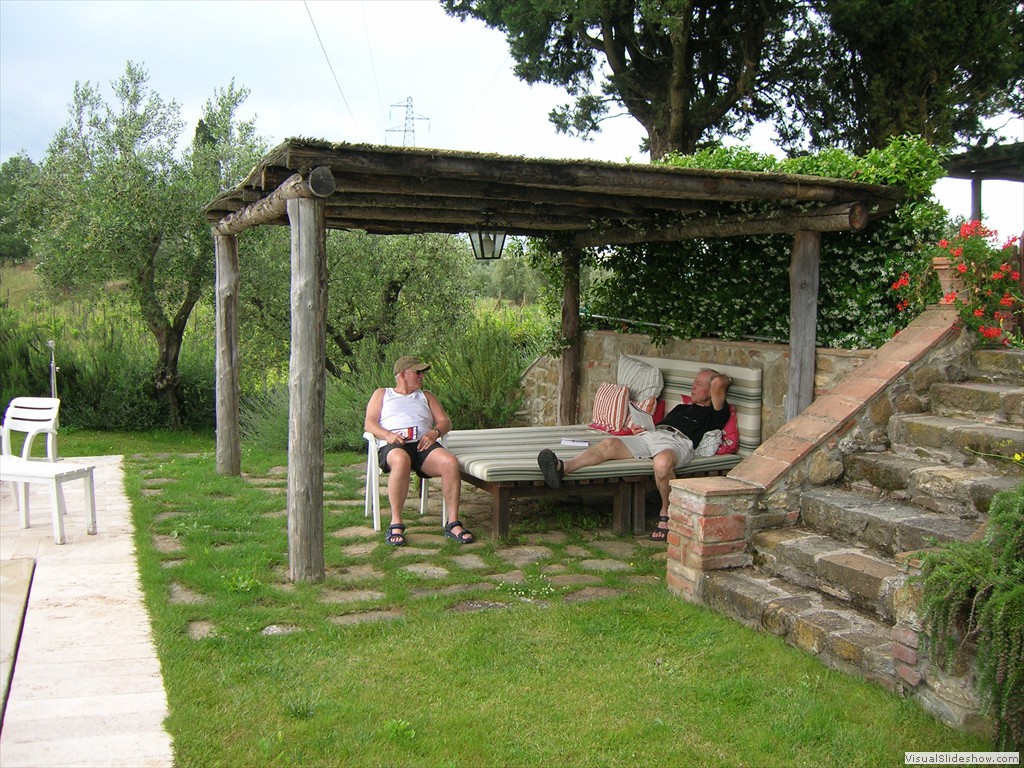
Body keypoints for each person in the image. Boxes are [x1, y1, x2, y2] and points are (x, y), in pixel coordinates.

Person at [537, 368, 732, 542]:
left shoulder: (716, 413)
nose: (693, 387)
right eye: (694, 383)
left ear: (712, 391)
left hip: (678, 443)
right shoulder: (682, 407)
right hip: (653, 435)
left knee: (663, 463)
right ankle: (563, 467)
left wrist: (722, 380)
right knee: (609, 443)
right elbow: (659, 428)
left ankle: (667, 512)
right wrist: (643, 428)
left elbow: (719, 382)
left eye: (698, 384)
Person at [364, 355, 474, 546]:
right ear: (402, 375)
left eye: (422, 372)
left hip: (423, 445)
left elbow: (445, 422)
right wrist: (388, 435)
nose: (422, 376)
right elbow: (369, 423)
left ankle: (453, 523)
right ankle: (396, 522)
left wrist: (434, 433)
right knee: (401, 460)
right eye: (417, 372)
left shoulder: (426, 396)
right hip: (394, 445)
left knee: (449, 462)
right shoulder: (383, 394)